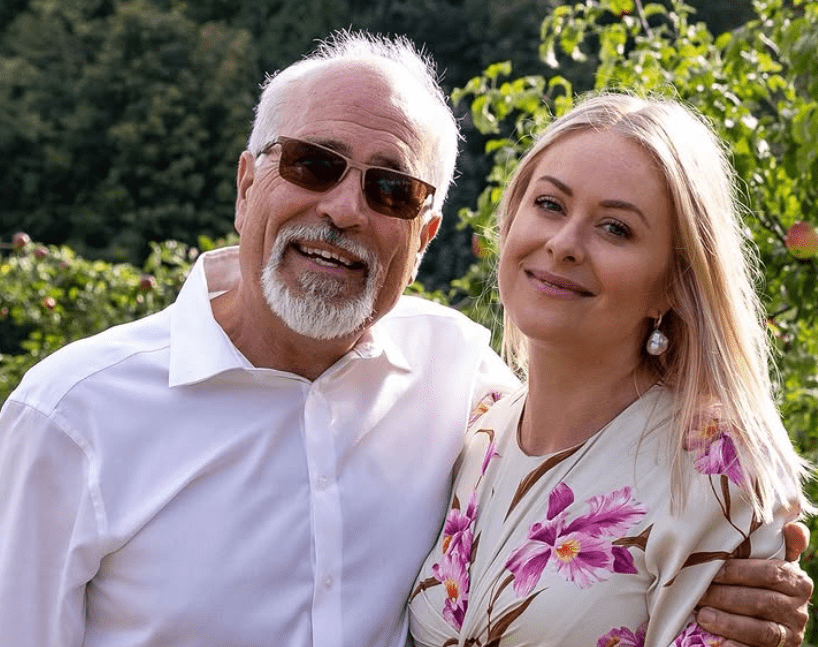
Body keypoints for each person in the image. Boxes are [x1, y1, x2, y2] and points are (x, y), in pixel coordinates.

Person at [0, 31, 811, 647]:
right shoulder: (72, 419)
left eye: (390, 189)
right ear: (248, 182)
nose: (346, 210)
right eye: (314, 164)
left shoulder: (458, 378)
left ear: (423, 234)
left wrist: (752, 586)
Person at [407, 93, 814, 647]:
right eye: (550, 204)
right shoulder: (475, 433)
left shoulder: (714, 472)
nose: (564, 244)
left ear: (673, 282)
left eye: (616, 229)